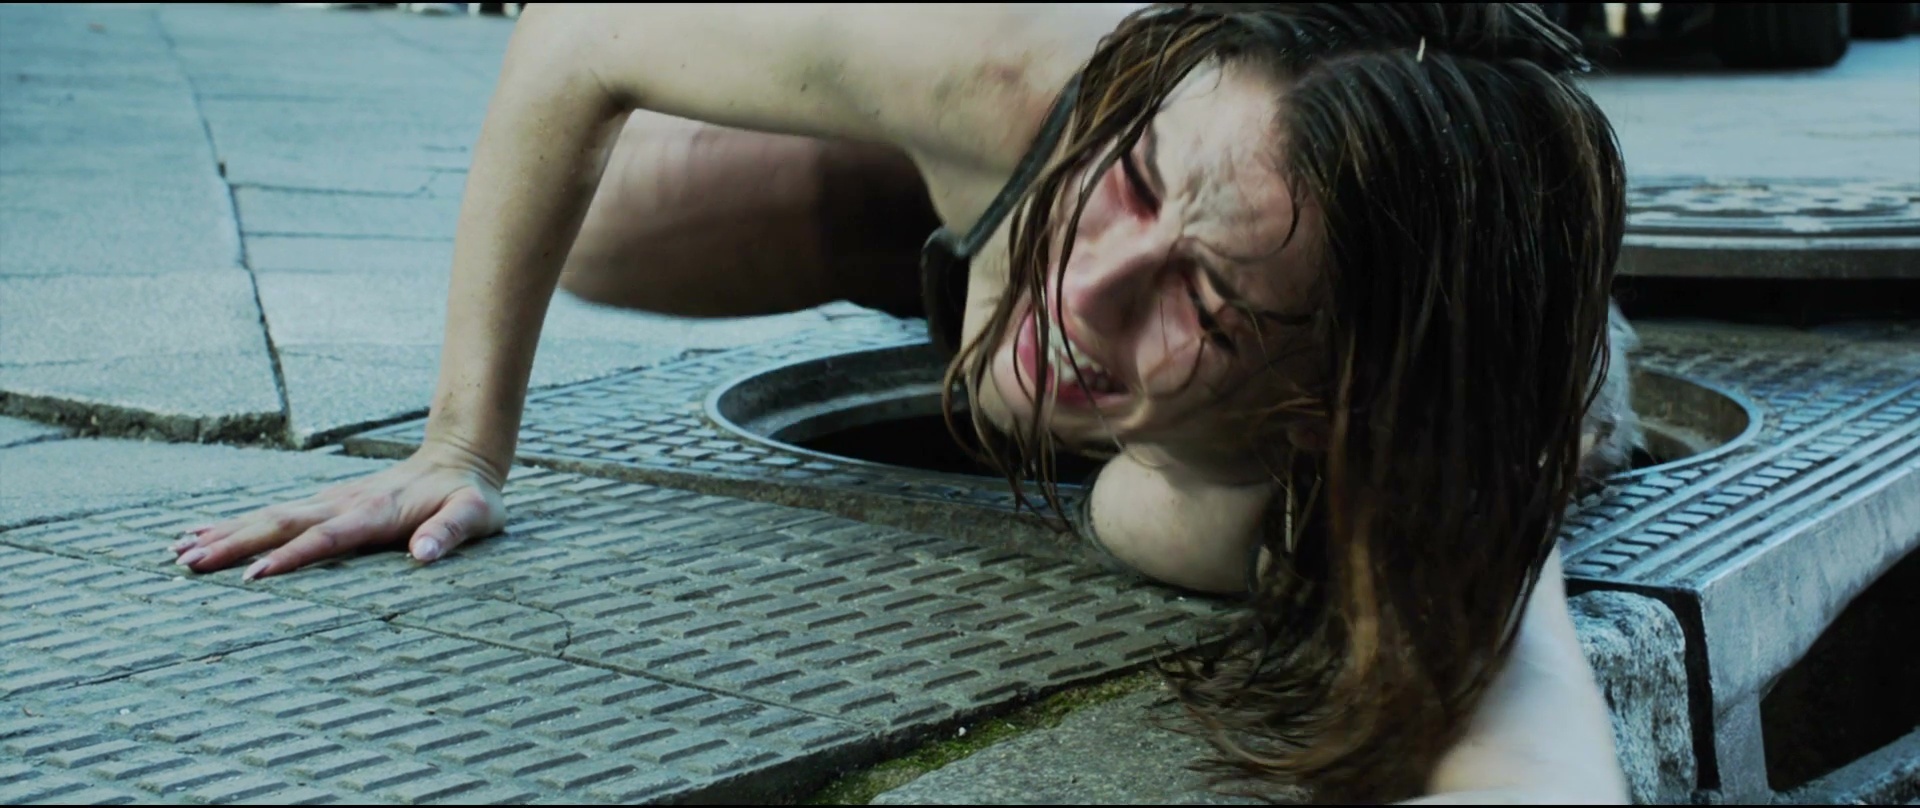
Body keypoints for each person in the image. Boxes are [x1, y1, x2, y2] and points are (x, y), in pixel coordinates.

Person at [171, 4, 1639, 803]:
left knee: (1170, 516)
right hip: (986, 154)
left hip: (1402, 381)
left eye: (1212, 306)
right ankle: (950, 223)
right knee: (617, 222)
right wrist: (461, 444)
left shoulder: (1389, 446)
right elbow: (577, 36)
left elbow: (1529, 714)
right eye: (1134, 186)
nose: (1086, 291)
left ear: (1326, 405)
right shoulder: (1028, 72)